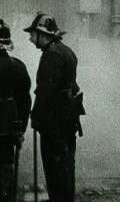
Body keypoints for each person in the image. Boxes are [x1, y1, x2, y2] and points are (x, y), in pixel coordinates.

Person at [24, 13, 83, 202]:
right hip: (69, 117)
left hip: (54, 119)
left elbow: (46, 91)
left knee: (54, 164)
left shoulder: (51, 55)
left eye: (33, 34)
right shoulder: (67, 51)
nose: (30, 38)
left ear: (43, 34)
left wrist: (35, 116)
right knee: (67, 163)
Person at [0, 19, 30, 202]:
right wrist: (20, 129)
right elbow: (25, 102)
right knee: (5, 167)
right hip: (8, 126)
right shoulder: (18, 67)